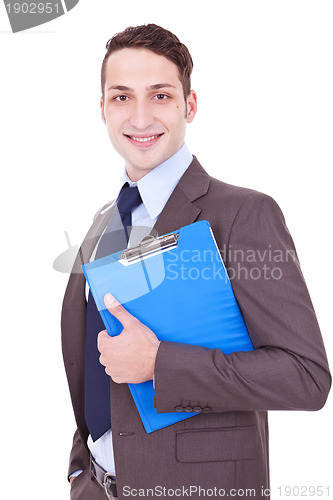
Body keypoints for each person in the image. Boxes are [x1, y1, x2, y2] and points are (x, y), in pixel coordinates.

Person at [62, 24, 331, 500]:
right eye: (122, 98)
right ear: (102, 109)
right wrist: (80, 469)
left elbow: (306, 378)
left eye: (160, 95)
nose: (140, 117)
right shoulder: (105, 221)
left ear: (189, 106)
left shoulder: (244, 213)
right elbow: (91, 366)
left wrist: (159, 363)